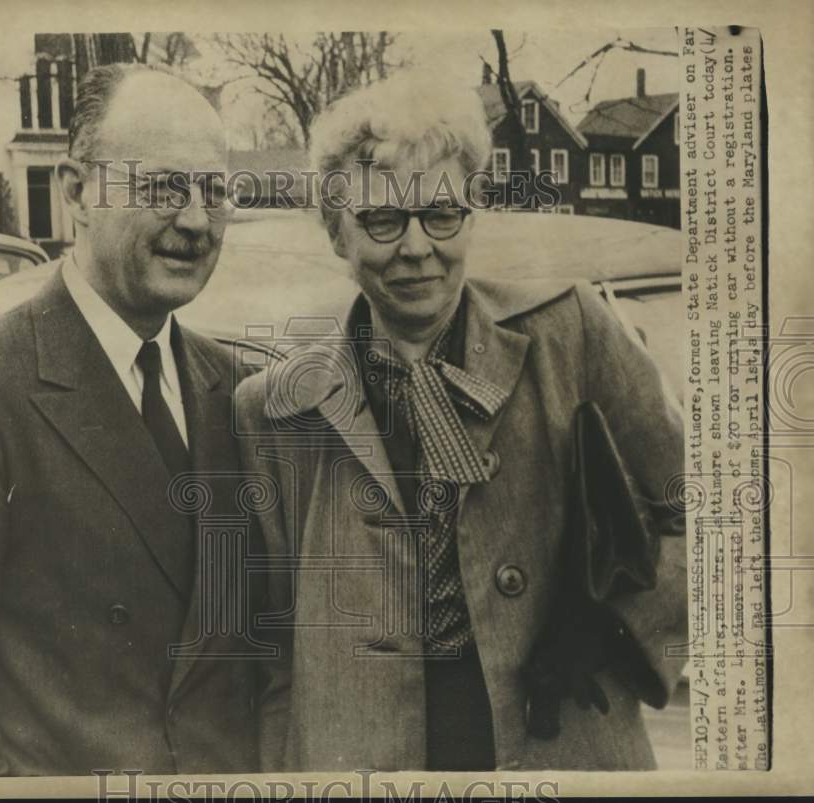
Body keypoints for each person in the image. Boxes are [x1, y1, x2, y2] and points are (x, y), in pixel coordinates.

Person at [236, 76, 688, 771]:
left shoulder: (571, 332)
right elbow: (268, 650)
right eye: (382, 221)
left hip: (559, 741)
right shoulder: (275, 407)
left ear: (474, 210)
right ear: (335, 231)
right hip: (359, 760)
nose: (417, 247)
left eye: (441, 213)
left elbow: (707, 511)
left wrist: (614, 630)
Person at [0, 65, 262, 776]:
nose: (193, 219)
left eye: (214, 190)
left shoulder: (235, 389)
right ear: (75, 192)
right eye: (159, 186)